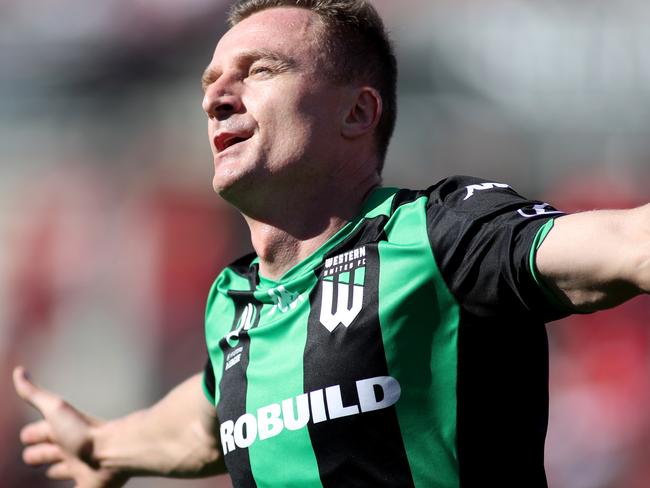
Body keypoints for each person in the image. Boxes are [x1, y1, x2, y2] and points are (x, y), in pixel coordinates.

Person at [13, 1, 649, 487]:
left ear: (358, 113)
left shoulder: (437, 235)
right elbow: (208, 421)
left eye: (261, 70)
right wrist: (105, 445)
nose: (215, 96)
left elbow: (623, 244)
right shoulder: (232, 303)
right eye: (211, 79)